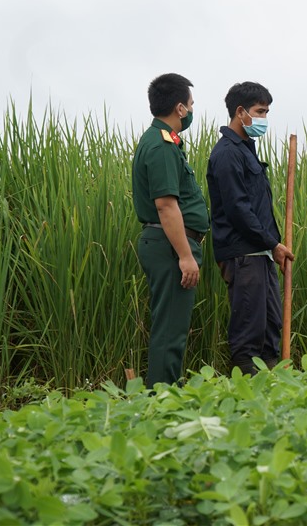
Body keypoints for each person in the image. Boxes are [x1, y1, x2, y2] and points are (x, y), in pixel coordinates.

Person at [206, 81, 294, 375]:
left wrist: (271, 246)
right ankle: (246, 394)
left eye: (267, 112)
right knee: (250, 328)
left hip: (261, 252)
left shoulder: (246, 150)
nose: (264, 119)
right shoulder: (228, 153)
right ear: (240, 112)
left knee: (269, 325)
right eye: (260, 111)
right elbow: (238, 209)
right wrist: (272, 242)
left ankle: (273, 384)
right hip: (244, 253)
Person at [132, 73, 209, 386]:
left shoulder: (163, 141)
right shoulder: (162, 145)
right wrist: (185, 256)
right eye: (190, 105)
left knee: (173, 327)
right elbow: (166, 206)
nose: (192, 110)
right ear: (179, 108)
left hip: (169, 244)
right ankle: (161, 400)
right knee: (171, 330)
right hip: (170, 245)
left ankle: (163, 394)